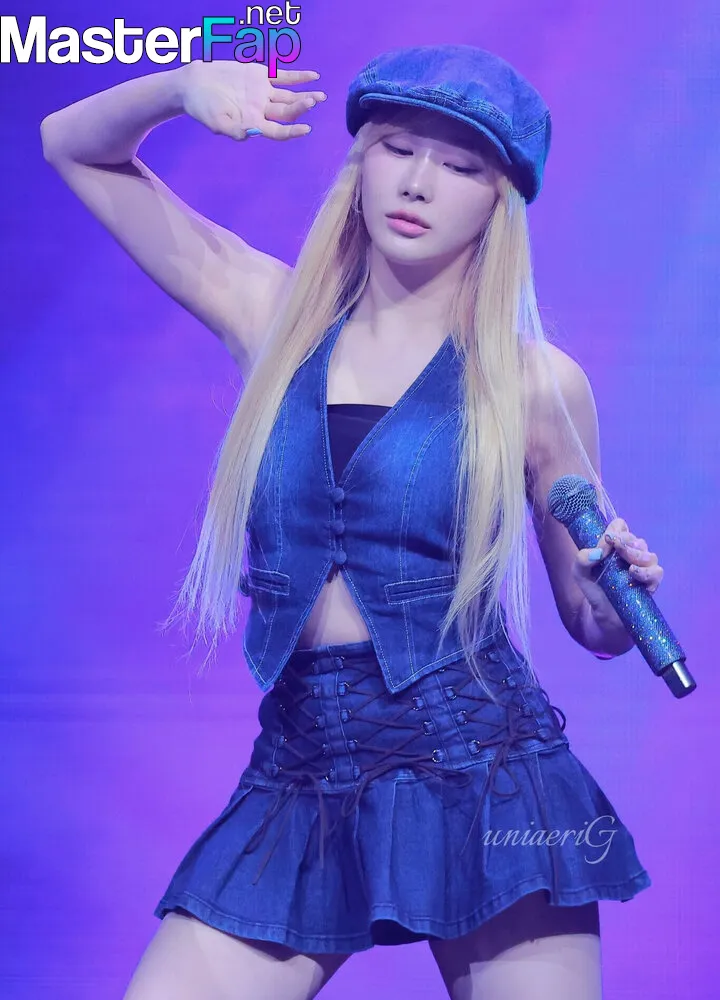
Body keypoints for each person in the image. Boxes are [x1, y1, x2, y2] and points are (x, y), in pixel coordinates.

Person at [41, 43, 661, 1000]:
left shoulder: (535, 380)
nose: (418, 183)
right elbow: (70, 146)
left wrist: (616, 587)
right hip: (302, 764)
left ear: (498, 201)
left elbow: (596, 626)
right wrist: (179, 85)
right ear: (360, 164)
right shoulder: (271, 313)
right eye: (397, 149)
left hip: (485, 767)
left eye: (460, 166)